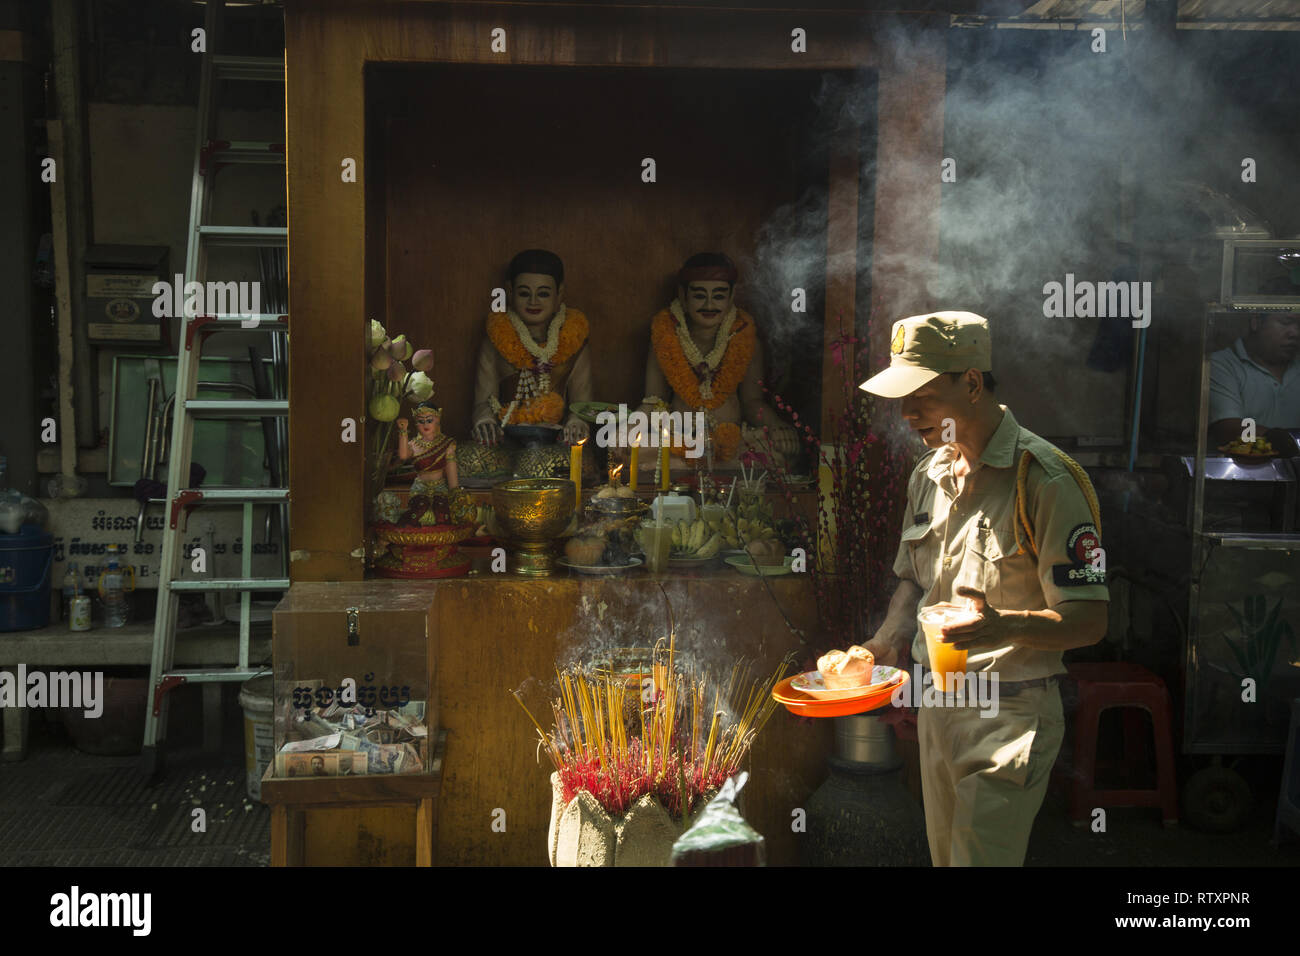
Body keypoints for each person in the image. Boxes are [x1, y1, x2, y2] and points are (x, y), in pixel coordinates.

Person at [861, 311, 1109, 867]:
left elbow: (1091, 621)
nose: (908, 412)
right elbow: (913, 582)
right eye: (903, 397)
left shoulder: (1046, 479)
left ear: (971, 383)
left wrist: (1003, 626)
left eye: (922, 393)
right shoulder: (928, 474)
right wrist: (882, 644)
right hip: (939, 708)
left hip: (1008, 717)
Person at [639, 253, 797, 466]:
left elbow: (752, 403)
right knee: (629, 449)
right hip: (680, 439)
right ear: (683, 297)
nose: (709, 304)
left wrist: (777, 426)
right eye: (699, 295)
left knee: (777, 455)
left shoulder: (746, 340)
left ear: (731, 298)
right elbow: (653, 400)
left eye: (719, 296)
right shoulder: (664, 338)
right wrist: (629, 427)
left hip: (731, 441)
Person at [469, 249, 592, 447]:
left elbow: (583, 405)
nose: (533, 301)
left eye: (543, 293)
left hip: (557, 440)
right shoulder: (495, 341)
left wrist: (576, 422)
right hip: (507, 437)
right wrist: (485, 422)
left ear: (559, 294)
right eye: (524, 293)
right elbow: (483, 402)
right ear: (510, 292)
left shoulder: (574, 342)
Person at [1208, 305, 1300, 451]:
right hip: (1245, 471)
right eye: (1285, 322)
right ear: (1256, 321)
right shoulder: (1223, 364)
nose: (1295, 333)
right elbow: (1228, 428)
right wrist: (1283, 441)